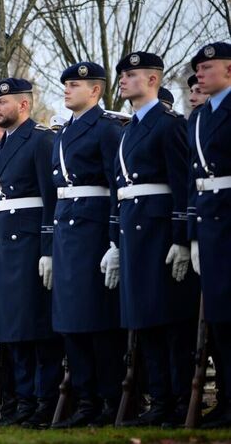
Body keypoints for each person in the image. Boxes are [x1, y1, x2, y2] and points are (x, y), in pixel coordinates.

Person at [114, 51, 196, 426]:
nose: (123, 81)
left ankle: (179, 400)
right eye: (122, 76)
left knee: (169, 320)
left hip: (160, 232)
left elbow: (183, 185)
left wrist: (181, 237)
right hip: (134, 231)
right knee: (144, 319)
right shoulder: (130, 128)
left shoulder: (168, 124)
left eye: (130, 75)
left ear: (152, 80)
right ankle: (160, 399)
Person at [48, 62, 125, 427]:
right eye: (65, 84)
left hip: (93, 231)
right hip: (67, 230)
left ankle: (108, 399)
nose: (66, 89)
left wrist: (114, 239)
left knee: (96, 320)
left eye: (74, 84)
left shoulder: (106, 129)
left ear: (95, 90)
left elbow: (117, 187)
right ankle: (85, 400)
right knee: (70, 321)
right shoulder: (64, 132)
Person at [0, 78, 62, 427]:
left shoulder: (41, 140)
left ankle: (43, 402)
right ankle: (22, 402)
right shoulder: (2, 145)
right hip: (6, 246)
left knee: (36, 327)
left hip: (31, 243)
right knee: (14, 329)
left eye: (3, 103)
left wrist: (47, 247)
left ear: (24, 105)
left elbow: (51, 199)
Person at [188, 42, 231, 427]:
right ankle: (227, 401)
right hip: (210, 221)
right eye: (197, 68)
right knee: (219, 316)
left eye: (208, 67)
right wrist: (192, 235)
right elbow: (192, 181)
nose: (200, 73)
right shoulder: (198, 119)